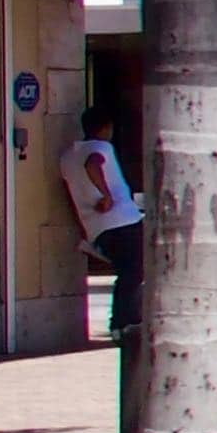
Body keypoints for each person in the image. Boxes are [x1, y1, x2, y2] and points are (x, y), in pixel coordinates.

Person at [60, 106, 145, 337]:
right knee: (135, 270)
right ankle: (123, 321)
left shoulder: (67, 158)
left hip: (96, 227)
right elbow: (93, 164)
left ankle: (124, 320)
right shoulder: (101, 147)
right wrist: (106, 195)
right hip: (123, 219)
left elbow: (69, 193)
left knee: (128, 271)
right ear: (106, 128)